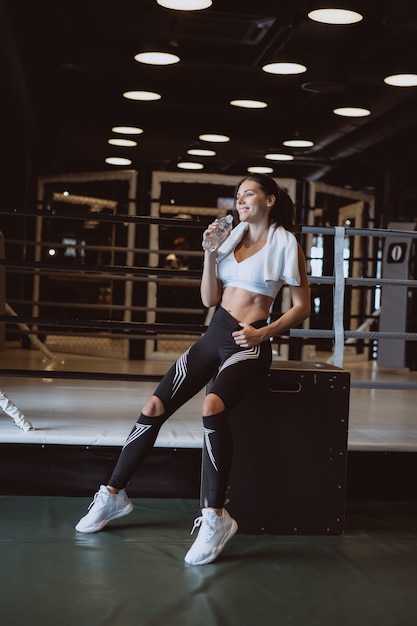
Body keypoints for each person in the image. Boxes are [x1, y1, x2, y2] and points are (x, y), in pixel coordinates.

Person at [75, 173, 311, 565]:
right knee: (153, 407)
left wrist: (263, 332)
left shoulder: (287, 243)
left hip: (246, 344)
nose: (240, 201)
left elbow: (302, 306)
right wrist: (208, 252)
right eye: (237, 196)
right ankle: (112, 495)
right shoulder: (231, 237)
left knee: (211, 406)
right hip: (212, 335)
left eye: (248, 194)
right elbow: (208, 299)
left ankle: (215, 518)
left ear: (270, 200)